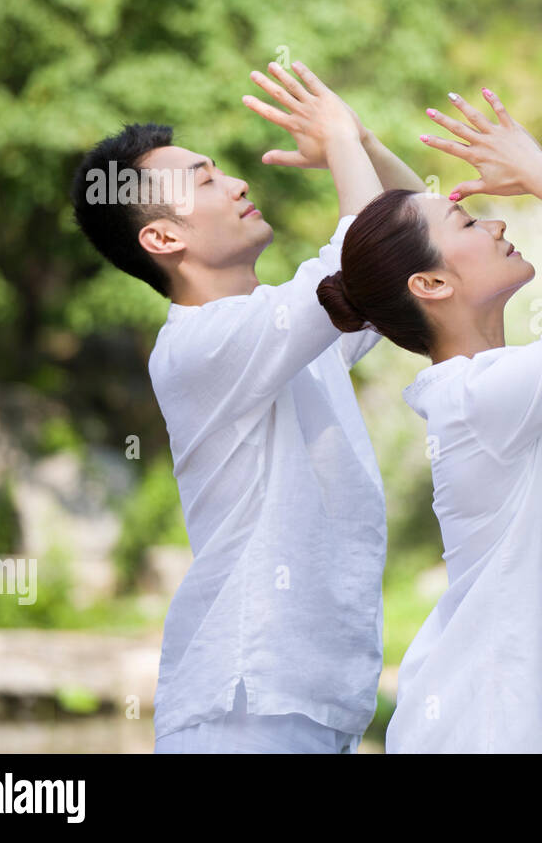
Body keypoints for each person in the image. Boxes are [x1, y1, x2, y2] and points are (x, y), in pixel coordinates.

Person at [70, 60, 424, 752]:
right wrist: (341, 146)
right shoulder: (200, 345)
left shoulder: (290, 331)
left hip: (314, 703)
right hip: (243, 703)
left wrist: (366, 142)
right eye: (204, 178)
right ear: (163, 238)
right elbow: (357, 265)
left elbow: (418, 251)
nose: (236, 182)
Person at [318, 87, 542, 752]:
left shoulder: (498, 393)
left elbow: (408, 245)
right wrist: (539, 173)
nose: (495, 224)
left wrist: (365, 146)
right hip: (483, 728)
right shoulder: (489, 396)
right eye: (469, 225)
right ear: (430, 286)